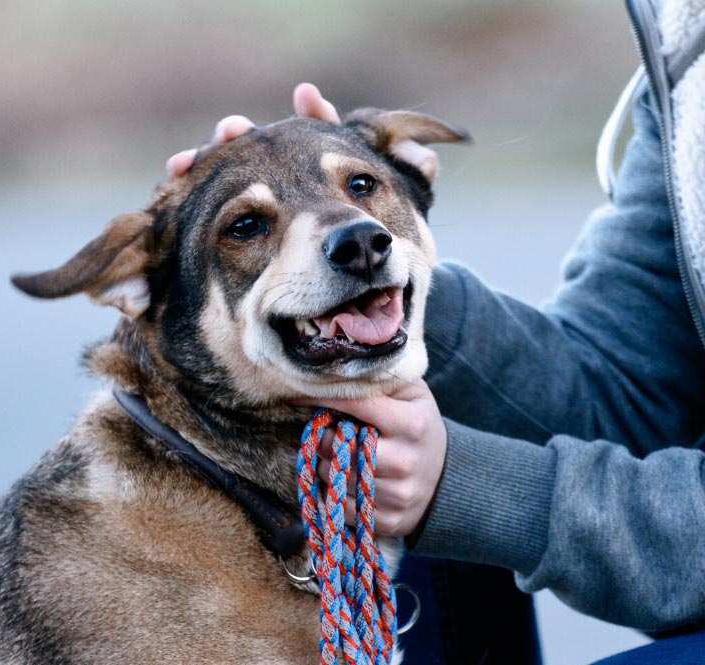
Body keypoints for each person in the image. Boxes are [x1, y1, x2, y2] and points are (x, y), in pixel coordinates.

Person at [167, 1, 705, 663]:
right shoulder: (689, 44)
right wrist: (364, 295)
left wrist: (462, 485)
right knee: (403, 415)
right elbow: (623, 392)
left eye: (366, 186)